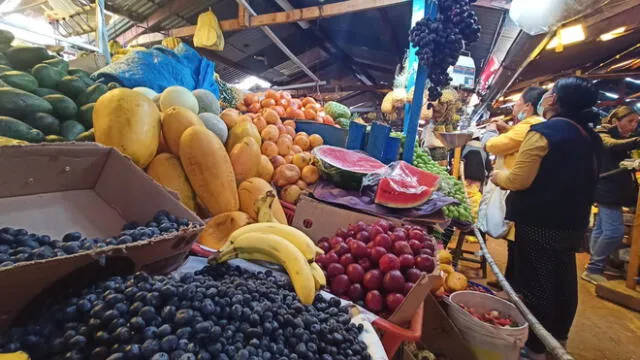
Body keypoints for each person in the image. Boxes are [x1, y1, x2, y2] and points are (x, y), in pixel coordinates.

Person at [490, 77, 602, 358]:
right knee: (563, 280)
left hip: (540, 221)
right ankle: (558, 339)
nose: (546, 95)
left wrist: (497, 176)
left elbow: (519, 179)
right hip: (573, 224)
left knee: (536, 284)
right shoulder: (590, 136)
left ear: (552, 100)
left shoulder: (544, 132)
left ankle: (536, 348)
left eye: (550, 92)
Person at [481, 86, 547, 287]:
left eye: (518, 101)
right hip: (521, 187)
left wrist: (490, 133)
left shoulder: (531, 124)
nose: (515, 105)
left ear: (527, 106)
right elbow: (517, 140)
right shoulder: (531, 125)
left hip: (515, 185)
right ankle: (509, 281)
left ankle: (514, 284)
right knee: (515, 241)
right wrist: (508, 129)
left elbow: (494, 146)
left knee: (517, 240)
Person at [583, 106, 640, 284]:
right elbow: (611, 146)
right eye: (630, 121)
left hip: (613, 189)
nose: (633, 125)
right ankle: (594, 267)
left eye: (636, 122)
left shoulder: (625, 138)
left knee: (601, 229)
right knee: (615, 232)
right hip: (606, 189)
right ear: (616, 121)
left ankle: (598, 263)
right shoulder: (603, 133)